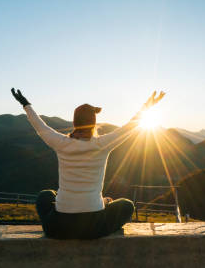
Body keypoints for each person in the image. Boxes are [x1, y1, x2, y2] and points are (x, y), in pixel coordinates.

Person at [11, 88, 166, 239]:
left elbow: (40, 126)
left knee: (45, 196)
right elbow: (131, 126)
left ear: (74, 122)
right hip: (94, 227)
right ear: (93, 124)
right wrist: (147, 106)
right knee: (127, 205)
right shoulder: (102, 144)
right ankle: (103, 203)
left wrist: (26, 104)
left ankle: (94, 206)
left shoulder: (60, 143)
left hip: (58, 228)